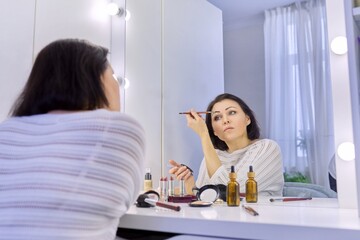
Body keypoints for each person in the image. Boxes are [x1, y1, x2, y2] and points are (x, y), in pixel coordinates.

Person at [0, 39, 145, 240]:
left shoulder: (5, 131)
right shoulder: (122, 129)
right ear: (94, 82)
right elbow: (124, 201)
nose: (117, 84)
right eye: (112, 75)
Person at [169, 93, 284, 196]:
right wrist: (190, 183)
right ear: (214, 131)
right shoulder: (214, 156)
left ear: (247, 119)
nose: (225, 120)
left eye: (232, 112)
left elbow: (230, 192)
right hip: (220, 218)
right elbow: (205, 196)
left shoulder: (267, 148)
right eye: (217, 117)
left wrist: (204, 134)